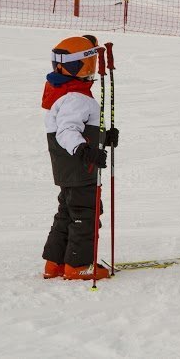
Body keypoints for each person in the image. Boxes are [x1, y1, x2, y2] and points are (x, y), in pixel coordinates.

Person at [41, 35, 117, 280]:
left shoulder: (66, 94)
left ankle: (55, 264)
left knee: (67, 213)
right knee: (86, 214)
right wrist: (85, 151)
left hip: (69, 170)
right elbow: (67, 132)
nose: (94, 67)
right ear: (82, 65)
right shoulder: (76, 97)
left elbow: (78, 129)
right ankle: (78, 265)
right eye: (92, 61)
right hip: (80, 169)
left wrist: (104, 138)